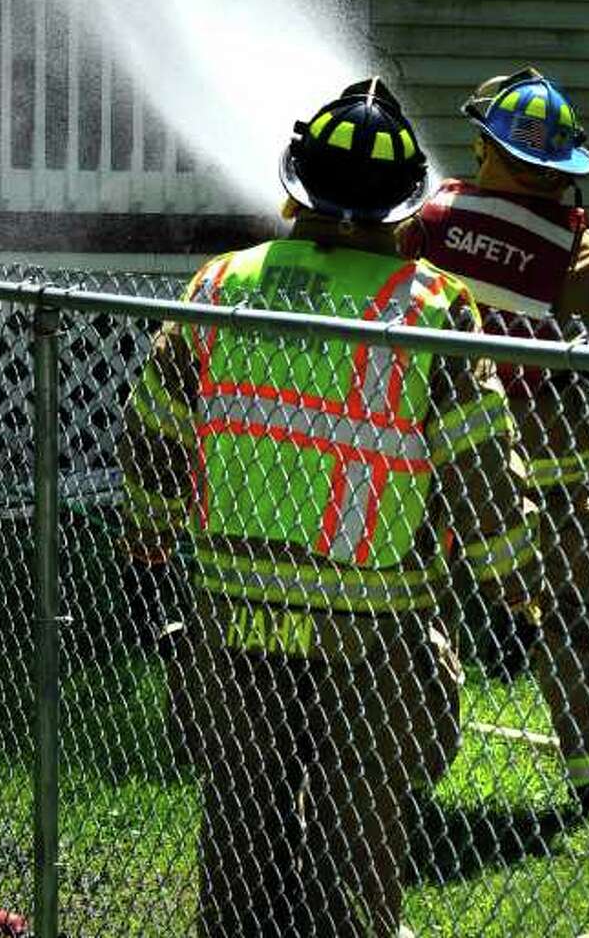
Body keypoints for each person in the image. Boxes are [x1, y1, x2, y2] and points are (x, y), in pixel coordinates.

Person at [119, 78, 541, 938]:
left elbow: (154, 434)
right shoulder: (428, 309)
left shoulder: (219, 286)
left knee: (240, 832)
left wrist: (146, 545)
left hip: (233, 619)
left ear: (294, 189)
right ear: (403, 209)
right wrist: (515, 589)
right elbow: (482, 466)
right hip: (374, 638)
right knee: (359, 848)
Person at [402, 67, 589, 819]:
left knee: (411, 604)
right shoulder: (582, 247)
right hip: (552, 449)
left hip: (442, 437)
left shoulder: (430, 216)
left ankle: (401, 765)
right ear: (561, 169)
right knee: (575, 606)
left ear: (485, 148)